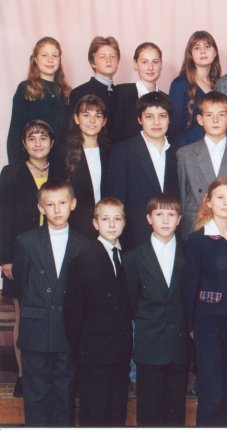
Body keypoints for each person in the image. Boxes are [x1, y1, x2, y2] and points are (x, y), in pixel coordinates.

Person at [12, 179, 90, 426]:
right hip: (36, 329)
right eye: (50, 204)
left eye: (62, 203)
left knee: (64, 394)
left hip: (67, 330)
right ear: (40, 208)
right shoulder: (26, 241)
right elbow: (21, 284)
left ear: (73, 204)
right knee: (35, 393)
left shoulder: (84, 244)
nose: (57, 210)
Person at [182, 178, 227, 426]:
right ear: (208, 202)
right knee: (212, 393)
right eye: (220, 197)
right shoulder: (197, 240)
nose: (226, 202)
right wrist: (190, 325)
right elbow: (190, 284)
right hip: (208, 324)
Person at [63, 198, 131, 426]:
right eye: (105, 219)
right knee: (95, 415)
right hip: (94, 356)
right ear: (95, 223)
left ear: (124, 222)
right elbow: (73, 312)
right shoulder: (85, 258)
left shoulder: (124, 256)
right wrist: (84, 350)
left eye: (117, 219)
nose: (111, 224)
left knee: (116, 413)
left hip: (119, 354)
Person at [0, 120, 55, 398]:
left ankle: (52, 373)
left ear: (52, 143)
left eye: (43, 137)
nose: (38, 143)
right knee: (24, 314)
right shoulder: (11, 173)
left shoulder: (61, 171)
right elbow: (3, 217)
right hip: (21, 254)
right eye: (32, 138)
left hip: (55, 253)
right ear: (23, 144)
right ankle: (24, 376)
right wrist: (5, 259)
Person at [123, 193, 189, 426]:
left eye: (171, 214)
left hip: (178, 346)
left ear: (179, 219)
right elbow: (132, 301)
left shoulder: (188, 253)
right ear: (149, 218)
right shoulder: (133, 257)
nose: (165, 220)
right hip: (149, 345)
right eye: (159, 214)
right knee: (149, 409)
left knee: (175, 410)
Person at [106, 91, 179, 250]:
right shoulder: (123, 152)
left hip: (171, 239)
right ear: (140, 119)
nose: (156, 122)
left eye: (162, 116)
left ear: (169, 119)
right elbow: (116, 199)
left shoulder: (178, 152)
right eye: (149, 116)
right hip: (135, 238)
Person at [177, 91, 227, 240]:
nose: (215, 120)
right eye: (209, 115)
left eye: (221, 115)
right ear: (200, 120)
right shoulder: (185, 154)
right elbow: (182, 197)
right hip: (195, 227)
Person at [50, 95, 109, 239]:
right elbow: (54, 193)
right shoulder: (62, 153)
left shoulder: (111, 152)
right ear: (76, 119)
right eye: (86, 115)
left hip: (107, 226)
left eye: (98, 116)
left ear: (104, 121)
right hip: (76, 228)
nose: (92, 121)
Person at [6, 37, 70, 164]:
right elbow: (15, 133)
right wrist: (16, 168)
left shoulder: (67, 93)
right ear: (35, 59)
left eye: (55, 55)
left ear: (59, 60)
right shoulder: (26, 89)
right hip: (33, 164)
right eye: (44, 55)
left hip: (61, 164)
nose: (50, 60)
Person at [169, 31, 221, 148]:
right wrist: (185, 154)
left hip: (217, 150)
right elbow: (174, 128)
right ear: (190, 54)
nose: (203, 51)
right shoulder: (180, 84)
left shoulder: (221, 84)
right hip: (190, 150)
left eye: (207, 46)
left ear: (215, 53)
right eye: (197, 48)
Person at [111, 42, 164, 144]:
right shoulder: (122, 92)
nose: (150, 67)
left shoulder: (166, 99)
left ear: (161, 65)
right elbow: (113, 133)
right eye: (144, 62)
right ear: (135, 64)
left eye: (155, 62)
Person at [69, 36, 120, 117]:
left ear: (117, 62)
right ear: (93, 63)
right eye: (102, 57)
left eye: (112, 56)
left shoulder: (120, 93)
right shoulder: (79, 93)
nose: (108, 60)